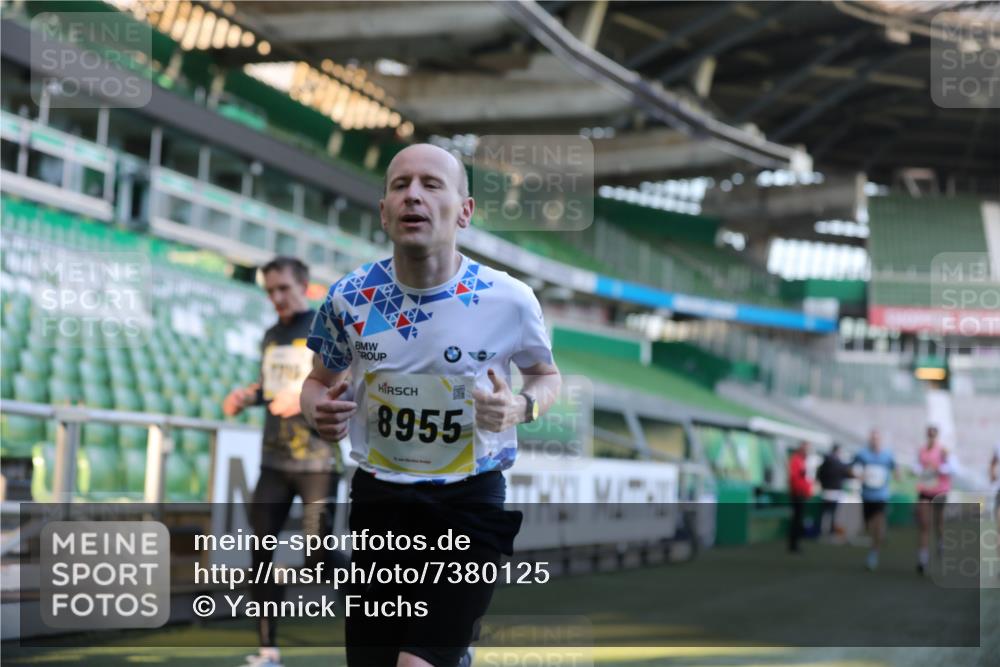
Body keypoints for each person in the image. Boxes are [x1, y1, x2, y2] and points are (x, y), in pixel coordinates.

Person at [301, 143, 562, 667]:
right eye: (400, 185)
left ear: (464, 212)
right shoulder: (349, 298)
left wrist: (520, 409)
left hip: (468, 506)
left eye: (431, 184)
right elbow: (315, 382)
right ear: (383, 210)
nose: (413, 196)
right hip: (380, 504)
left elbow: (545, 376)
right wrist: (316, 410)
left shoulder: (508, 299)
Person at [223, 257, 343, 667]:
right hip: (274, 462)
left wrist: (308, 401)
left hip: (318, 463)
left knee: (318, 557)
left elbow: (347, 385)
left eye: (283, 289)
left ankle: (380, 602)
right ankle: (268, 650)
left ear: (305, 286)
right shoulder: (272, 334)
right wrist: (247, 396)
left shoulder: (324, 330)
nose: (276, 298)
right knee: (260, 554)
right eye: (270, 291)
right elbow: (271, 388)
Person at [852, 429, 897, 570]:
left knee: (879, 521)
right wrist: (857, 475)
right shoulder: (862, 454)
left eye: (877, 438)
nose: (875, 441)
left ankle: (873, 553)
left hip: (881, 496)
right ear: (870, 440)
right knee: (869, 525)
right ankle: (876, 539)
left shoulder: (887, 455)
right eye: (873, 438)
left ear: (881, 440)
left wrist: (897, 475)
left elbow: (896, 469)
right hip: (866, 495)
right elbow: (851, 467)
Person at [914, 425, 951, 575]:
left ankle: (941, 542)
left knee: (939, 522)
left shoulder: (943, 451)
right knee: (924, 524)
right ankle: (923, 558)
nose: (931, 437)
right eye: (929, 435)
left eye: (933, 435)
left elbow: (951, 468)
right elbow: (917, 466)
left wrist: (938, 468)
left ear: (936, 436)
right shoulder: (922, 450)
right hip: (925, 489)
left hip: (940, 490)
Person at [816, 443, 852, 538]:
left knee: (823, 513)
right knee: (832, 514)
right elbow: (847, 474)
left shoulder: (824, 463)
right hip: (835, 492)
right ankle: (830, 532)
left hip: (826, 491)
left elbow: (819, 475)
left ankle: (820, 532)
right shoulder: (839, 464)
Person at [787, 441, 813, 553]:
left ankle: (795, 543)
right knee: (797, 519)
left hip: (802, 493)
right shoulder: (796, 460)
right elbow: (794, 477)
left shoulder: (803, 461)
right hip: (798, 494)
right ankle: (794, 545)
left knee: (798, 519)